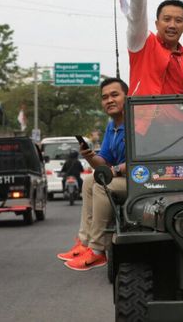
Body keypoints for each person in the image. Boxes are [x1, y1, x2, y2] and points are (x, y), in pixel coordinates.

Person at [57, 77, 128, 271]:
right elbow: (102, 162)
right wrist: (88, 156)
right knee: (89, 180)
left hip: (140, 180)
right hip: (122, 178)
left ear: (127, 96)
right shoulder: (111, 126)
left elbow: (140, 161)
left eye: (115, 95)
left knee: (102, 186)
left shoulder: (138, 124)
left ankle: (97, 250)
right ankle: (84, 243)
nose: (109, 100)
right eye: (105, 97)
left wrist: (116, 169)